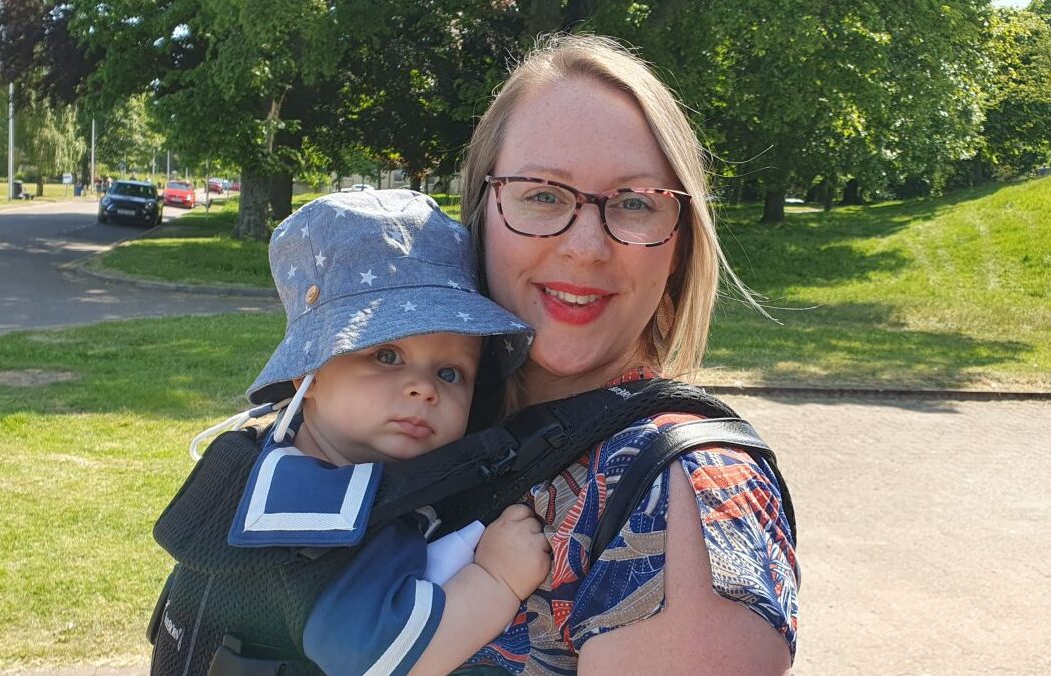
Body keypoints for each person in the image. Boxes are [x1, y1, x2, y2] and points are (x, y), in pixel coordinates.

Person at [451, 33, 800, 673]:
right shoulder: (414, 422)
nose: (585, 247)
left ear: (679, 249)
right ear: (480, 211)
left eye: (635, 203)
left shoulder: (683, 492)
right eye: (542, 193)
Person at [227, 188, 550, 675]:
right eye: (386, 356)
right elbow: (371, 655)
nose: (423, 388)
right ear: (305, 375)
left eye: (449, 373)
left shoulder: (304, 467)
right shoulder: (319, 506)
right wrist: (496, 579)